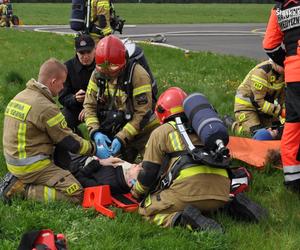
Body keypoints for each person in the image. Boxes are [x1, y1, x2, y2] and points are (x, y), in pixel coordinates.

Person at [131, 87, 267, 231]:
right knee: (206, 200)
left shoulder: (161, 132)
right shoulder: (205, 128)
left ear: (161, 112)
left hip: (188, 192)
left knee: (146, 210)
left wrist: (137, 192)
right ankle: (229, 206)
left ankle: (183, 221)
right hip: (222, 191)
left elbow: (149, 172)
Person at [0, 58, 107, 204]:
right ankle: (23, 190)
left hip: (15, 161)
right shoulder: (45, 107)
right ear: (53, 81)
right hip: (31, 166)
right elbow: (70, 142)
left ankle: (19, 179)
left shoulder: (21, 96)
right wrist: (95, 149)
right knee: (76, 193)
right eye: (62, 83)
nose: (63, 87)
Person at [83, 35, 159, 162]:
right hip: (117, 129)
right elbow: (89, 106)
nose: (107, 75)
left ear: (123, 63)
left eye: (112, 72)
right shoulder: (97, 74)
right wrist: (95, 132)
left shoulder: (139, 75)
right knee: (110, 167)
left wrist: (123, 136)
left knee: (152, 167)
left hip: (145, 131)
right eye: (104, 72)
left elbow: (143, 113)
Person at [263, 0, 300, 192]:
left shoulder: (280, 8)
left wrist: (288, 61)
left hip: (295, 74)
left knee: (293, 125)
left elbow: (270, 45)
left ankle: (293, 180)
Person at [232, 59, 285, 136]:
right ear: (275, 63)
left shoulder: (283, 73)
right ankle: (235, 126)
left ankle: (260, 123)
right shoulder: (262, 72)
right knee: (257, 134)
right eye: (285, 66)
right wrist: (280, 111)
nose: (287, 69)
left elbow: (283, 97)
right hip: (247, 107)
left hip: (265, 108)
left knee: (277, 130)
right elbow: (258, 102)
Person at [58, 34, 96, 136]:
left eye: (89, 52)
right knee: (61, 120)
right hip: (75, 108)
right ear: (76, 51)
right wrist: (74, 98)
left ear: (95, 50)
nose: (86, 56)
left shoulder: (101, 66)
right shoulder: (67, 67)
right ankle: (76, 141)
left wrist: (89, 108)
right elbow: (62, 97)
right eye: (81, 53)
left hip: (98, 107)